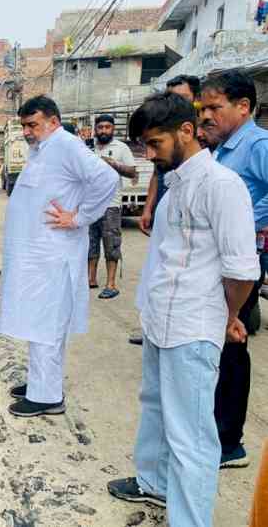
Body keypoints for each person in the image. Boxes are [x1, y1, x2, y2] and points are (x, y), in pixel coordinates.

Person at [108, 92, 259, 527]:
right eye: (144, 146)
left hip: (193, 326)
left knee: (192, 437)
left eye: (155, 144)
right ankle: (154, 483)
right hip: (161, 321)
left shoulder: (221, 186)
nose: (149, 154)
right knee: (154, 405)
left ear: (187, 132)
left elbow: (242, 269)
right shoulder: (174, 189)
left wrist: (228, 316)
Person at [0, 96, 117, 417]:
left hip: (52, 258)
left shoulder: (65, 145)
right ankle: (42, 383)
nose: (26, 131)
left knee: (45, 325)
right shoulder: (43, 151)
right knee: (41, 323)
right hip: (38, 258)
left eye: (32, 125)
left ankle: (46, 397)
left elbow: (107, 179)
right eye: (23, 125)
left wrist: (79, 217)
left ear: (53, 121)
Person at [200, 69, 268, 468]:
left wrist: (245, 220)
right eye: (202, 107)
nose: (207, 115)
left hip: (239, 263)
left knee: (231, 346)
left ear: (243, 107)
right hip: (218, 260)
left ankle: (230, 442)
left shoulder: (257, 144)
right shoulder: (223, 149)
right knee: (217, 346)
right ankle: (217, 430)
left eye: (215, 107)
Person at [139, 75, 202, 235]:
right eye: (170, 99)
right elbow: (156, 175)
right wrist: (148, 209)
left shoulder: (206, 138)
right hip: (165, 212)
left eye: (182, 99)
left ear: (196, 99)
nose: (174, 106)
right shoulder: (160, 138)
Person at [88, 114, 137, 299]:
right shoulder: (88, 148)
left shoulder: (121, 148)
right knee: (90, 244)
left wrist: (113, 164)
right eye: (100, 127)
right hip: (91, 205)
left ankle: (111, 283)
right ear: (95, 129)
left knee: (111, 244)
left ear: (113, 129)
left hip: (111, 205)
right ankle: (90, 279)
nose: (103, 131)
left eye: (107, 127)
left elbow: (132, 172)